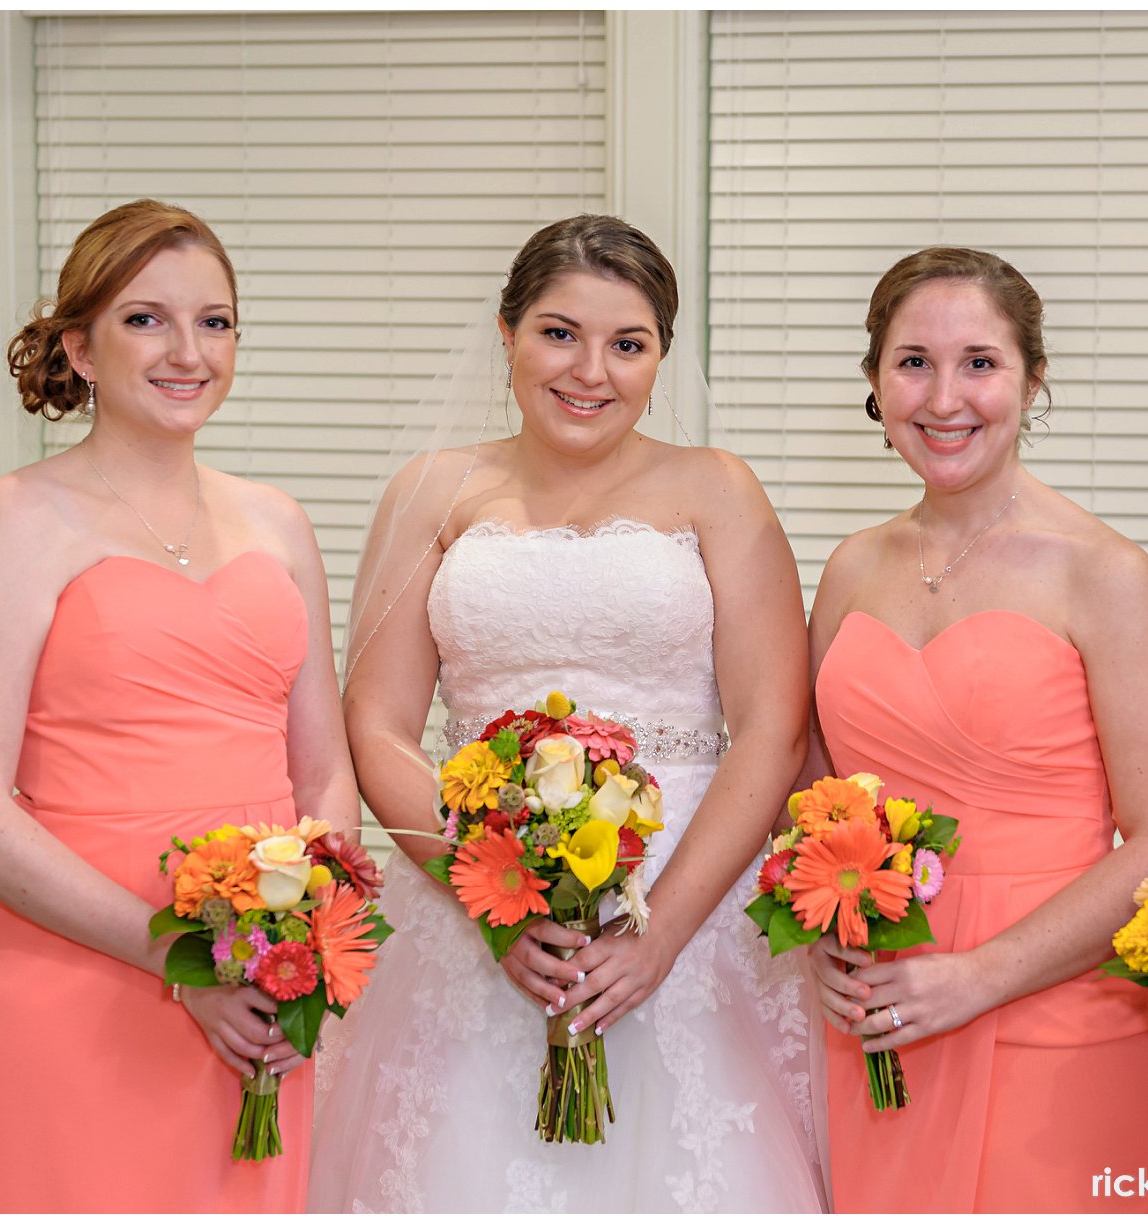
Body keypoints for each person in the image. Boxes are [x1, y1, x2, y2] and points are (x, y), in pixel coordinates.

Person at [308, 214, 827, 1212]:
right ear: (505, 333)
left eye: (627, 345)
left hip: (684, 896)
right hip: (475, 893)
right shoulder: (432, 492)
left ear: (660, 357)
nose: (590, 371)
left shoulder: (716, 489)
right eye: (559, 333)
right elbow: (374, 724)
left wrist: (661, 935)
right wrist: (487, 900)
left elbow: (773, 729)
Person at [0, 199, 358, 1211]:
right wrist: (183, 963)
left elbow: (324, 769)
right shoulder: (14, 520)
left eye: (215, 321)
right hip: (74, 969)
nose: (188, 351)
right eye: (146, 319)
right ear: (78, 345)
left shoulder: (278, 522)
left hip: (259, 988)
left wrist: (296, 951)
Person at [803, 246, 1148, 1211]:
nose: (945, 397)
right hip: (880, 1009)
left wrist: (981, 975)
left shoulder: (1104, 574)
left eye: (980, 362)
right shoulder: (850, 569)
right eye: (913, 362)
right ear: (874, 382)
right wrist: (817, 936)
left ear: (1034, 380)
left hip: (1055, 1004)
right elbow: (816, 796)